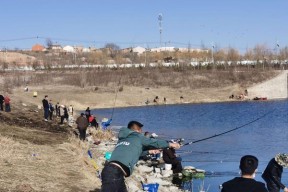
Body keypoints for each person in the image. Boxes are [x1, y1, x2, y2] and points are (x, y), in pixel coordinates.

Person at [101, 121, 180, 192]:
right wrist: (171, 144)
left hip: (114, 172)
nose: (142, 133)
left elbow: (134, 152)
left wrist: (149, 151)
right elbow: (153, 142)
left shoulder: (123, 139)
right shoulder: (137, 136)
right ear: (136, 130)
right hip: (113, 172)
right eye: (141, 131)